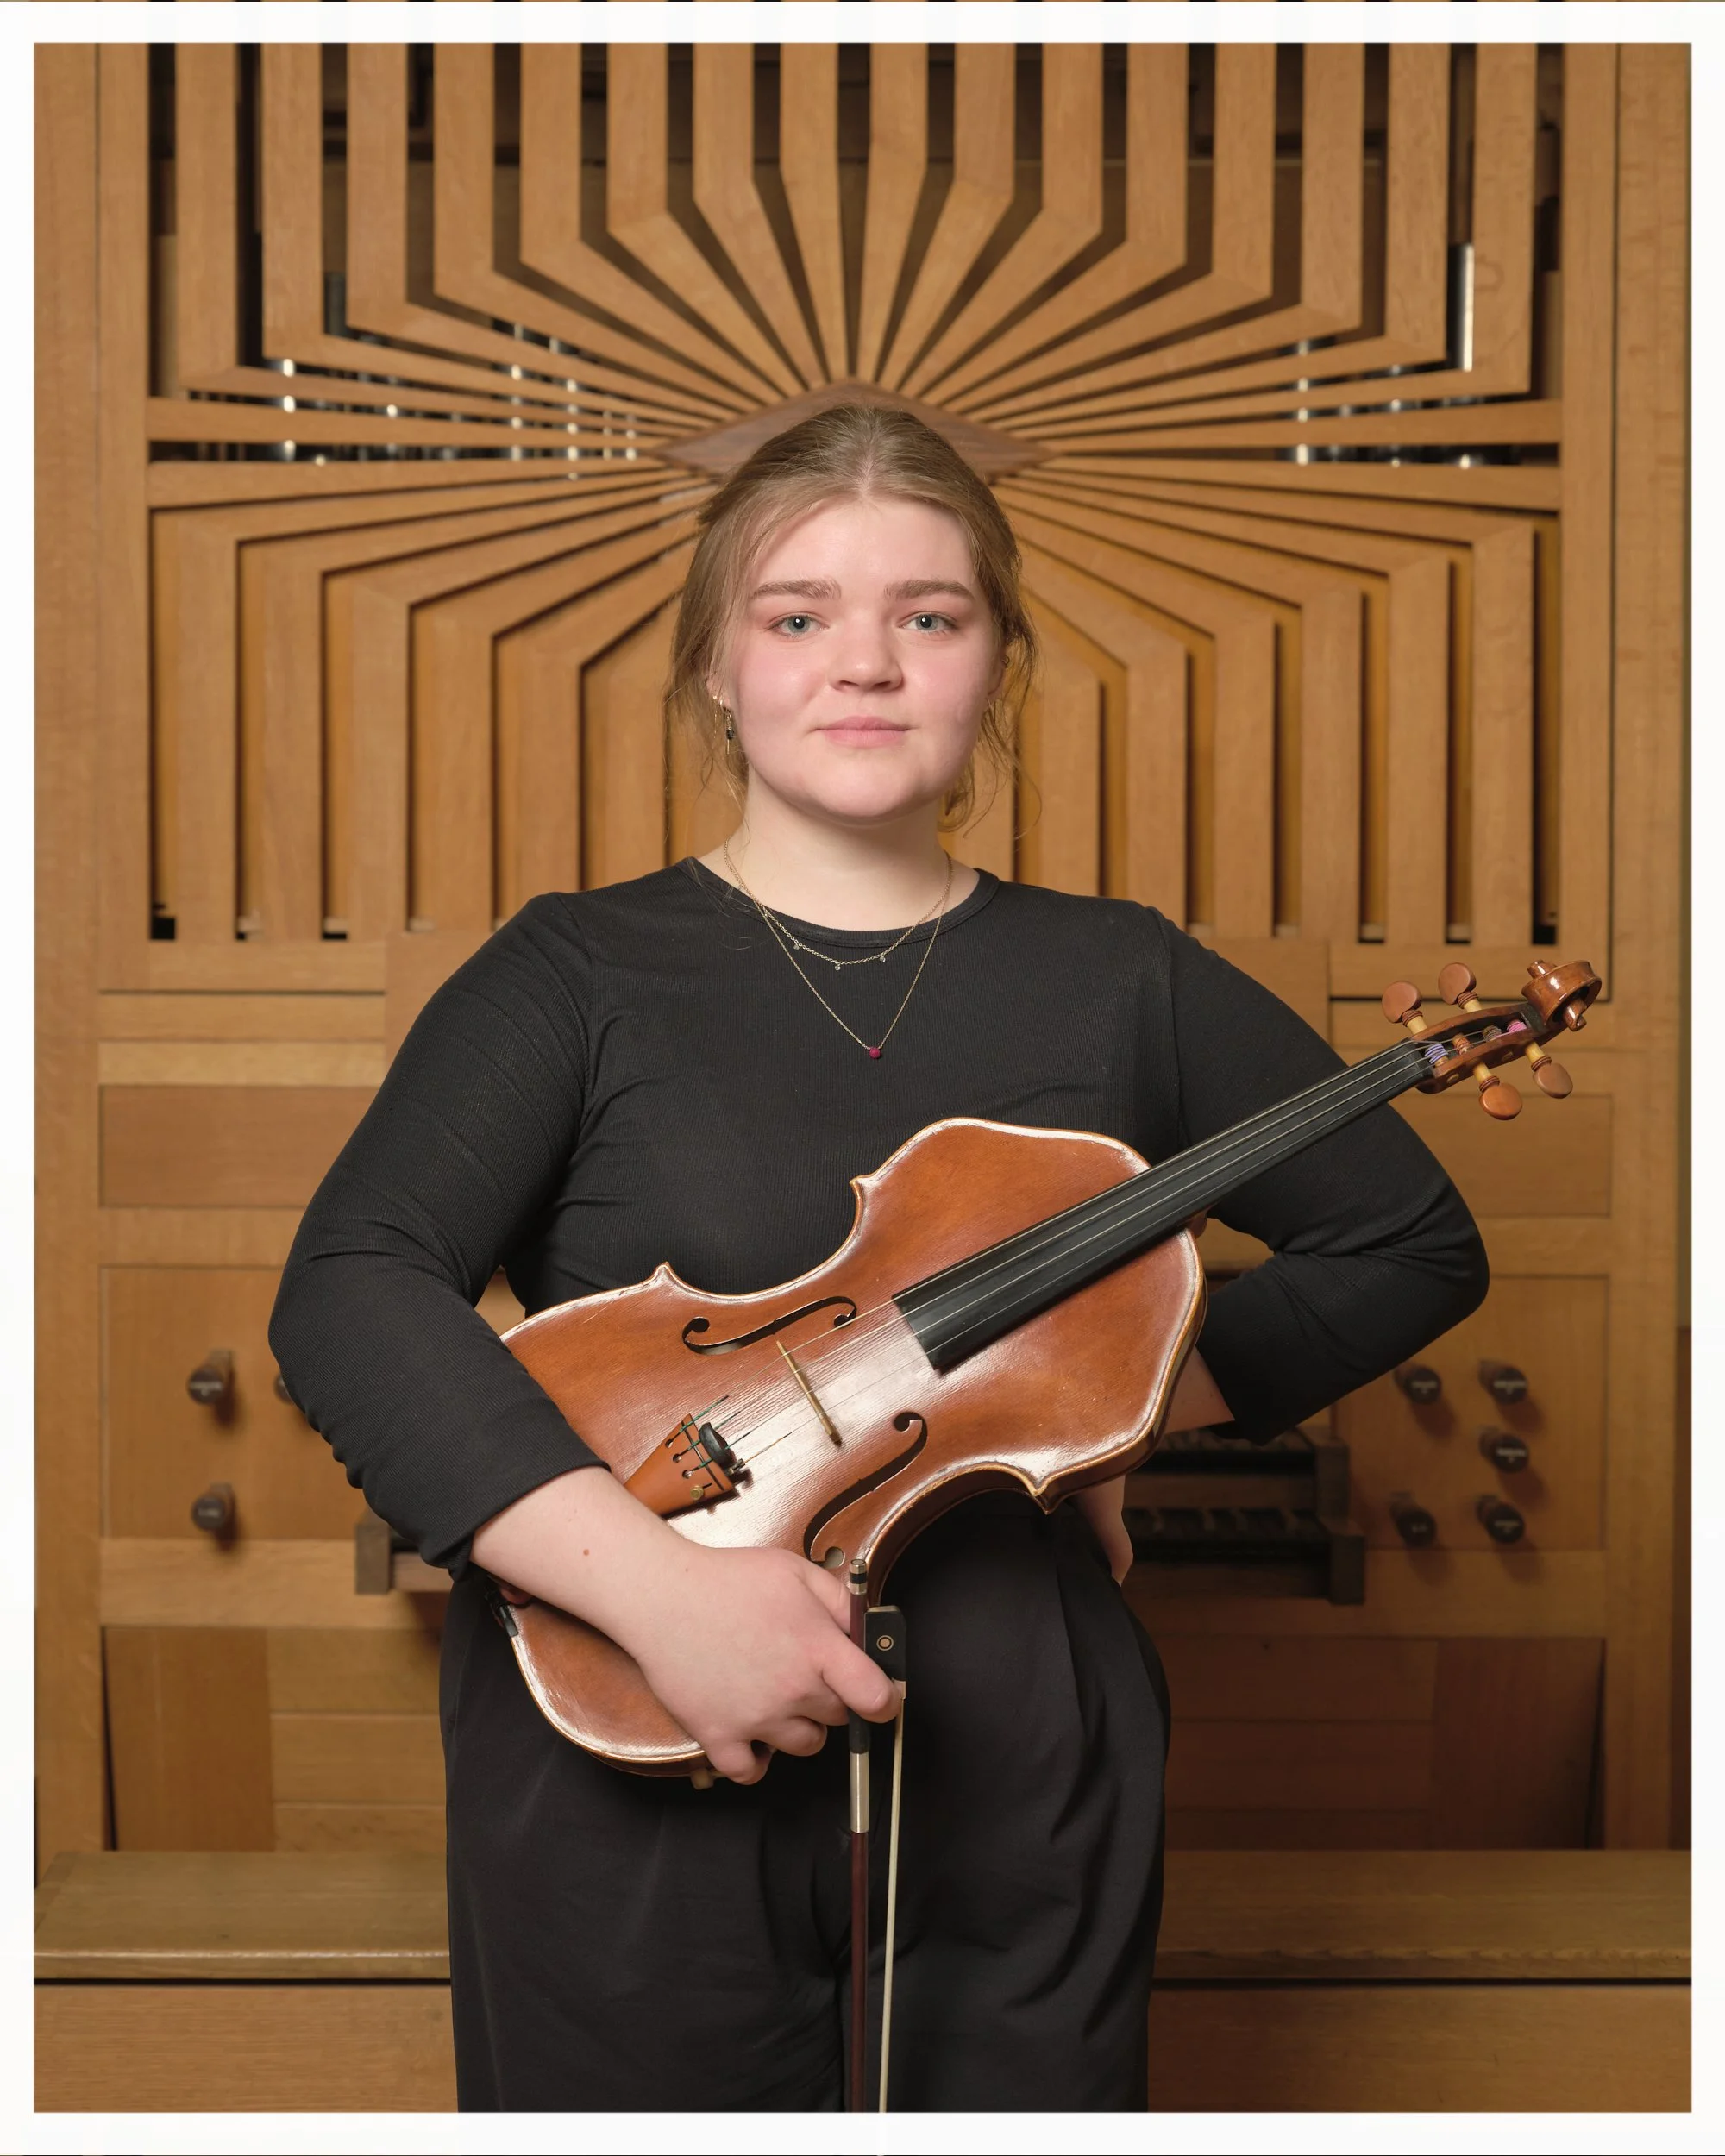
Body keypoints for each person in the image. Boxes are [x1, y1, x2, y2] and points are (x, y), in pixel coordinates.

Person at [270, 403, 1488, 2113]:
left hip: (1024, 1737)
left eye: (928, 613)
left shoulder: (1118, 976)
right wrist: (661, 1594)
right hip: (631, 1713)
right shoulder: (574, 971)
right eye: (797, 615)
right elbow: (352, 1282)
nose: (866, 663)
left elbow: (1411, 1240)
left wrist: (1083, 1402)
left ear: (998, 659)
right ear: (717, 663)